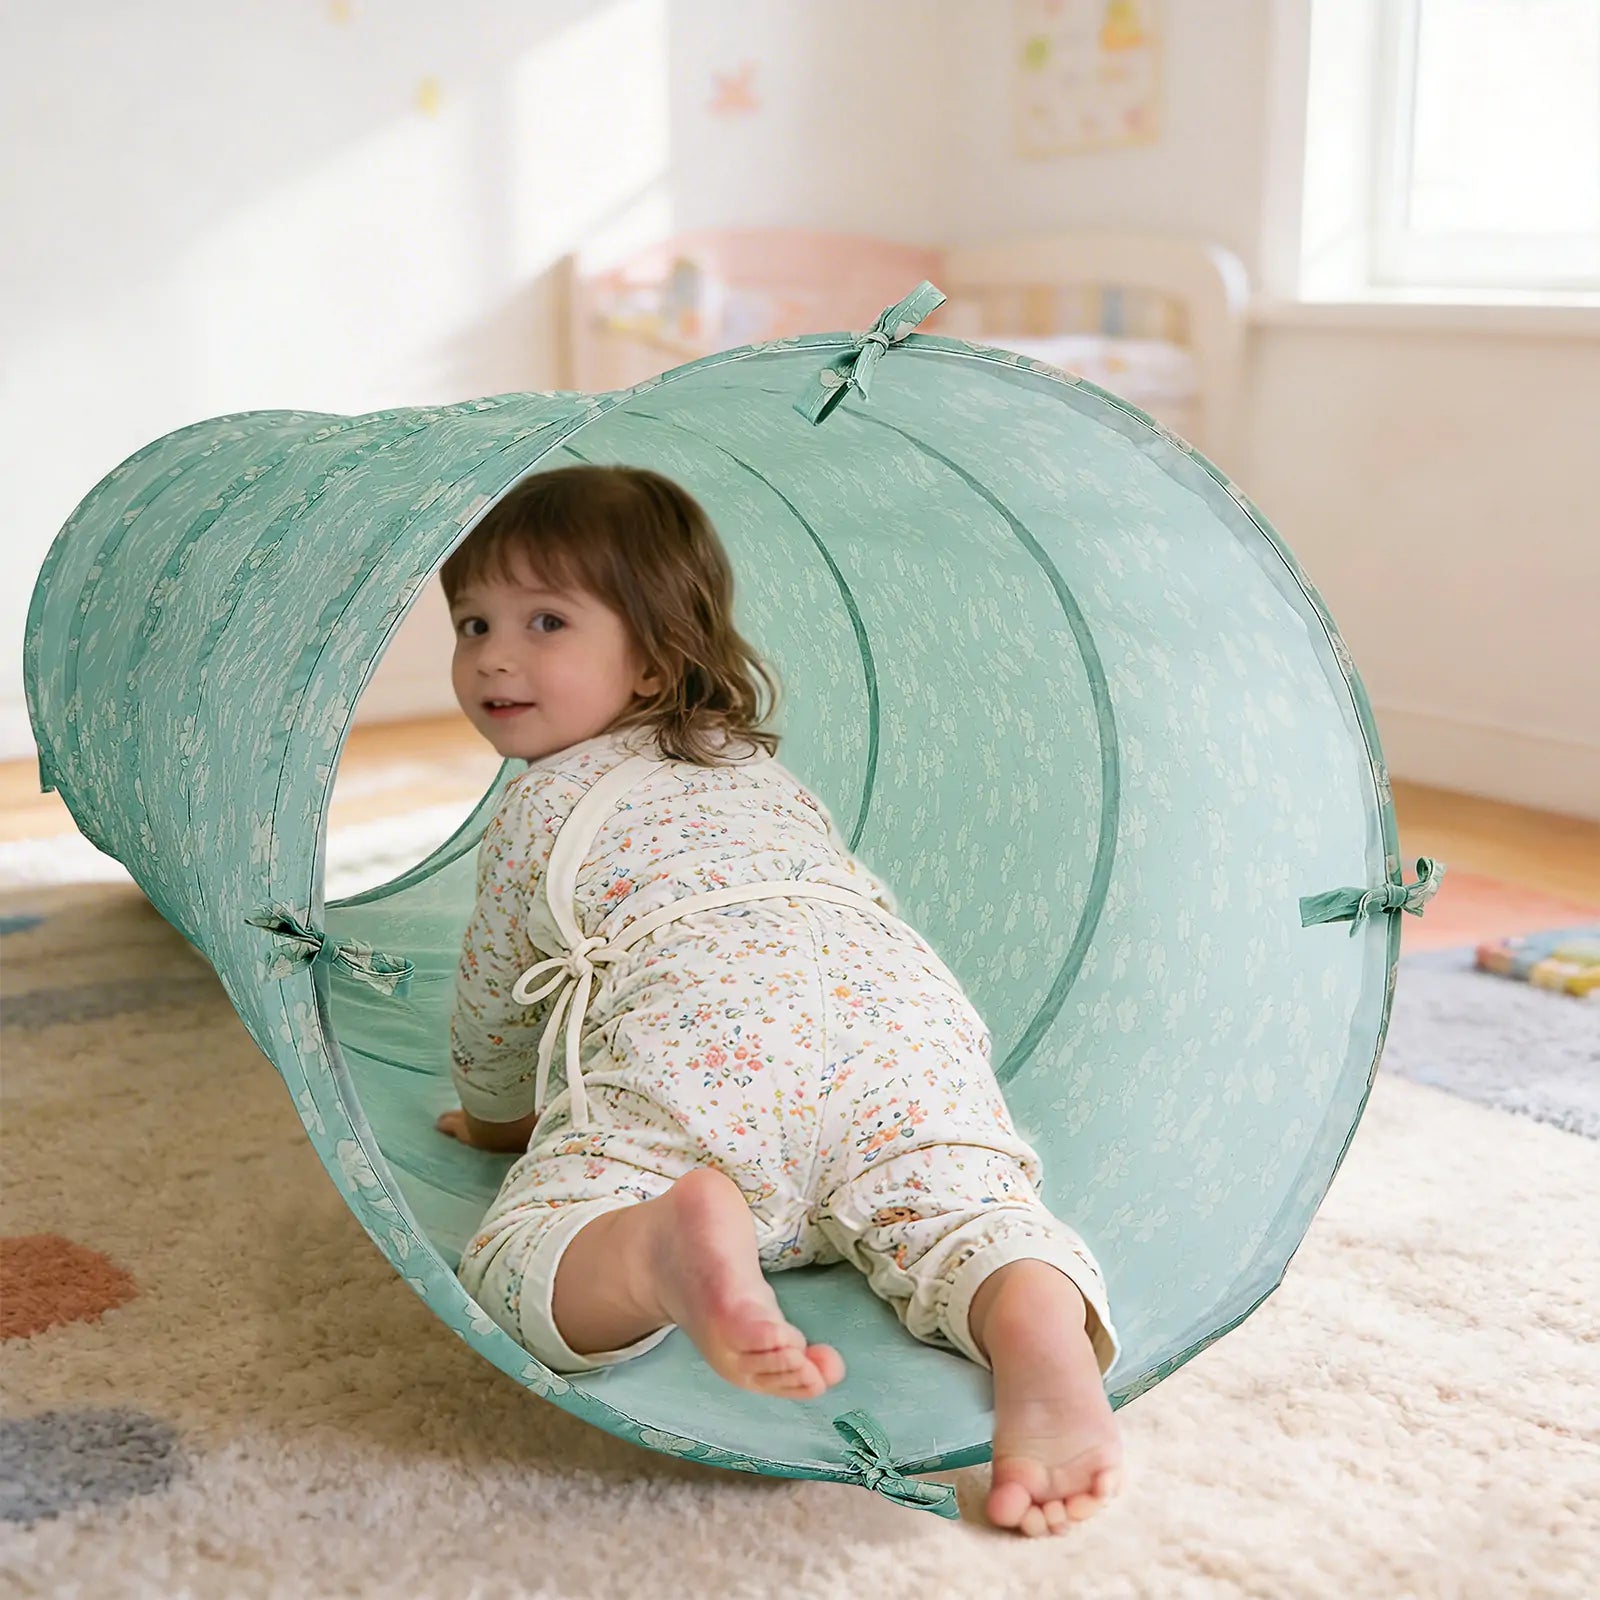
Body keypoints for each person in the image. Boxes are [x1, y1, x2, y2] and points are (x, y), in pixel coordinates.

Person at [434, 464, 1122, 1536]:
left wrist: (492, 1119)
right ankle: (1032, 1321)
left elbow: (493, 1004)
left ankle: (658, 1247)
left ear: (654, 657)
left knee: (518, 1262)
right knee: (960, 1208)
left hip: (705, 1039)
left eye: (545, 621)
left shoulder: (538, 804)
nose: (492, 656)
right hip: (900, 1021)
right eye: (472, 623)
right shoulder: (761, 771)